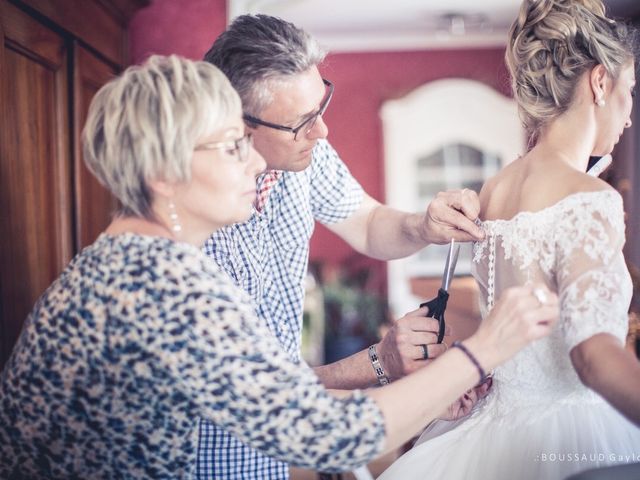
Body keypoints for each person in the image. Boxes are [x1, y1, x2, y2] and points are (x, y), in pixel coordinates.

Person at [0, 55, 557, 479]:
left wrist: (420, 377)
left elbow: (285, 397)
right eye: (230, 147)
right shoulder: (167, 290)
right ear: (161, 176)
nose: (256, 162)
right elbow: (328, 436)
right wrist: (482, 350)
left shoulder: (128, 260)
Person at [200, 14, 491, 477]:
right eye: (302, 122)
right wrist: (381, 363)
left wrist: (423, 225)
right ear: (238, 126)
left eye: (322, 106)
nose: (323, 132)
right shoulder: (197, 225)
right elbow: (248, 393)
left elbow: (369, 222)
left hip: (273, 453)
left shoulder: (304, 156)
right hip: (207, 455)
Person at [379, 1, 640, 479]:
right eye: (630, 90)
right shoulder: (589, 197)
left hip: (494, 424)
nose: (629, 116)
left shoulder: (495, 188)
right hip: (573, 434)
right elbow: (595, 356)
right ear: (600, 83)